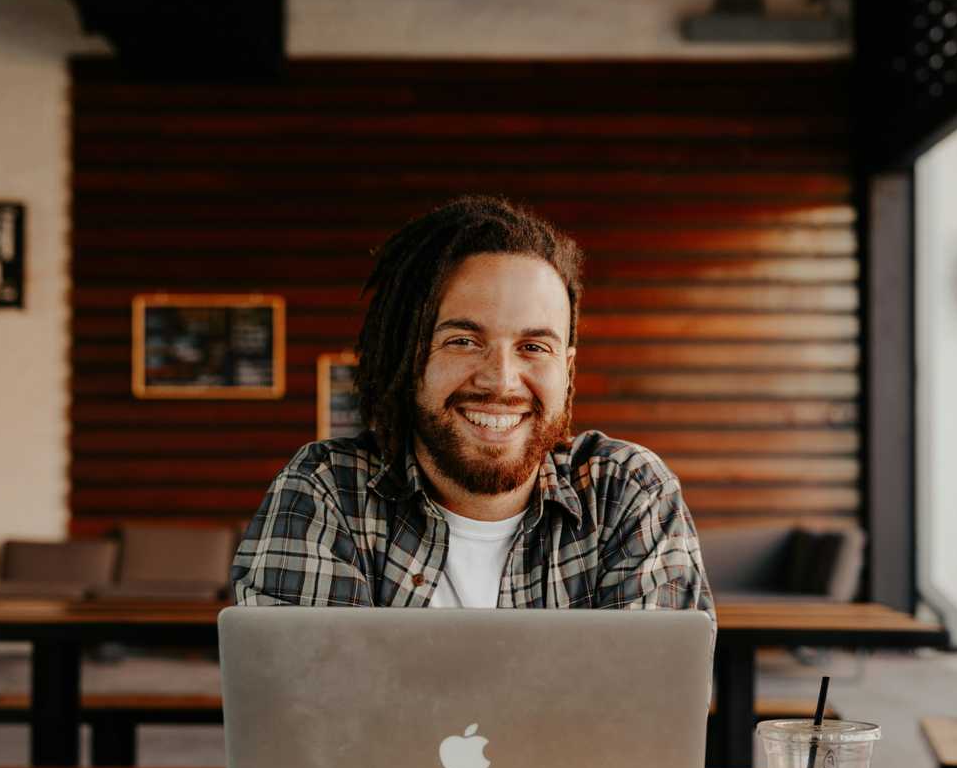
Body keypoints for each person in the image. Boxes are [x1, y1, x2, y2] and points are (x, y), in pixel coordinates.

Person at [232, 195, 713, 625]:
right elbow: (308, 716)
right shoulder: (327, 491)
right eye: (463, 341)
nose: (501, 380)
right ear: (407, 354)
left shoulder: (627, 493)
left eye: (533, 346)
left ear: (567, 368)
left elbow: (644, 718)